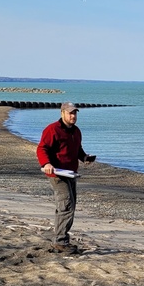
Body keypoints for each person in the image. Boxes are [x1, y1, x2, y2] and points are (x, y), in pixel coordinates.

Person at [37, 101, 96, 253]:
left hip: (71, 173)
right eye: (70, 113)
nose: (73, 116)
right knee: (66, 205)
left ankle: (60, 237)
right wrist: (46, 163)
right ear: (62, 113)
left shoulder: (76, 131)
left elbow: (78, 149)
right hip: (56, 173)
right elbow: (42, 148)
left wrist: (84, 158)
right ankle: (61, 241)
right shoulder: (52, 129)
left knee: (68, 206)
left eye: (75, 113)